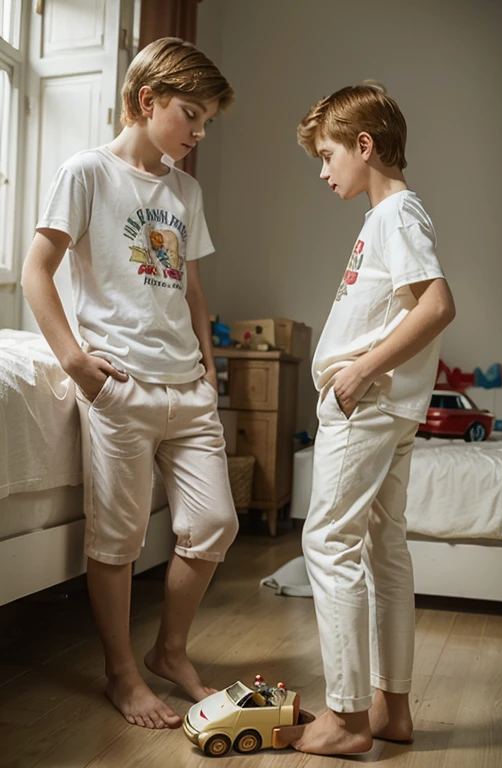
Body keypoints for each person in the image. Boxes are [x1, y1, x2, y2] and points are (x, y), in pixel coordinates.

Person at [21, 37, 239, 730]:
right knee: (116, 540)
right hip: (120, 384)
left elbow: (194, 292)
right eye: (191, 114)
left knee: (215, 524)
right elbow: (37, 269)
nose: (199, 132)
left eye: (207, 120)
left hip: (187, 391)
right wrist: (77, 364)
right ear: (147, 101)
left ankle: (169, 651)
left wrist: (210, 375)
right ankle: (121, 674)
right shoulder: (87, 171)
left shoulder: (186, 189)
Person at [281, 81, 456, 755]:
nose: (324, 172)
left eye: (328, 156)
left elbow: (436, 306)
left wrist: (357, 371)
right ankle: (391, 709)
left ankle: (349, 716)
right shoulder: (384, 218)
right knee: (383, 549)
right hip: (381, 405)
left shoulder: (397, 214)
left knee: (327, 542)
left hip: (369, 404)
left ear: (364, 145)